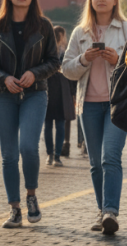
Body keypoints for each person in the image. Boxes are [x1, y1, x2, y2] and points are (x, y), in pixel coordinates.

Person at [61, 0, 127, 234]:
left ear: (115, 0)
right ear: (90, 2)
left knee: (110, 157)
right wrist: (84, 59)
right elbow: (67, 69)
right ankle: (102, 210)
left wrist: (118, 60)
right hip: (89, 105)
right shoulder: (80, 33)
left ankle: (111, 211)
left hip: (118, 106)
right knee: (95, 162)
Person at [0, 0, 60, 228]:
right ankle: (15, 209)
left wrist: (34, 73)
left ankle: (31, 195)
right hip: (4, 96)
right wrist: (3, 79)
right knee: (9, 155)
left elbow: (55, 62)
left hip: (35, 94)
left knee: (28, 148)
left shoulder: (43, 26)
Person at [44, 25, 76, 167]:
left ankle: (51, 154)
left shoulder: (48, 50)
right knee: (59, 124)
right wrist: (74, 93)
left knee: (49, 124)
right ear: (62, 36)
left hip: (50, 89)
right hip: (60, 90)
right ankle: (56, 156)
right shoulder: (64, 51)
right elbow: (71, 73)